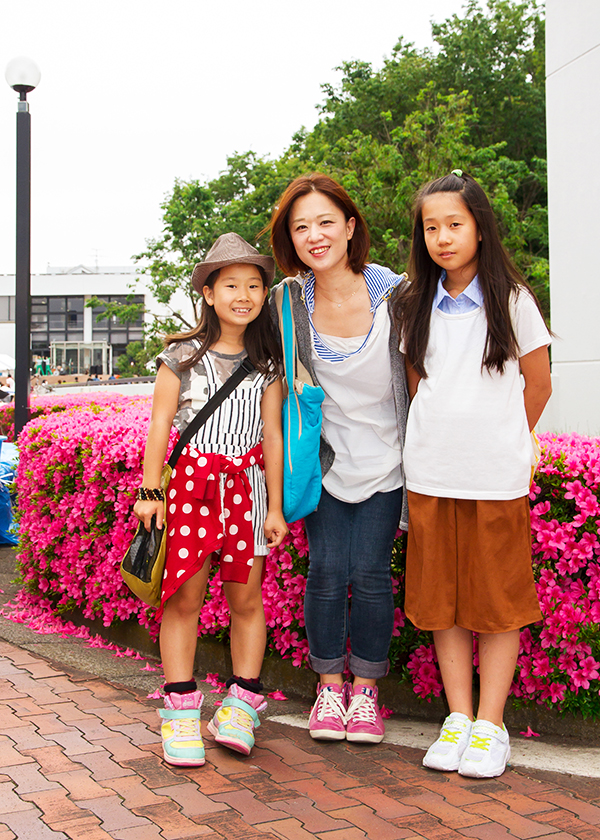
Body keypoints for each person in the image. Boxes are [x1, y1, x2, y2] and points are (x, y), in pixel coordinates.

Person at [395, 170, 552, 778]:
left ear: (480, 229)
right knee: (444, 602)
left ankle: (491, 724)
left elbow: (536, 386)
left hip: (493, 479)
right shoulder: (413, 303)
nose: (442, 237)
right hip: (431, 475)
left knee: (497, 603)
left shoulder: (513, 300)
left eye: (454, 224)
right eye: (431, 227)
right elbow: (418, 387)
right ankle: (457, 717)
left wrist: (504, 440)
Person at [134, 233, 288, 768]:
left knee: (247, 601)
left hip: (246, 491)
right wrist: (151, 491)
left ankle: (241, 707)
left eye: (253, 285)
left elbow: (272, 434)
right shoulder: (179, 356)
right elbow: (159, 427)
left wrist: (274, 507)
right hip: (190, 490)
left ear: (264, 294)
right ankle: (179, 713)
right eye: (230, 285)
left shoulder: (269, 362)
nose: (243, 295)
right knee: (184, 600)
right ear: (208, 293)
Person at [268, 173, 409, 744]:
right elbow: (270, 377)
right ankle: (330, 688)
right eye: (301, 227)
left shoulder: (398, 293)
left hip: (391, 460)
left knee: (371, 574)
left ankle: (367, 695)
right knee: (326, 573)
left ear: (351, 228)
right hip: (323, 464)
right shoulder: (288, 299)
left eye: (326, 222)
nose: (314, 235)